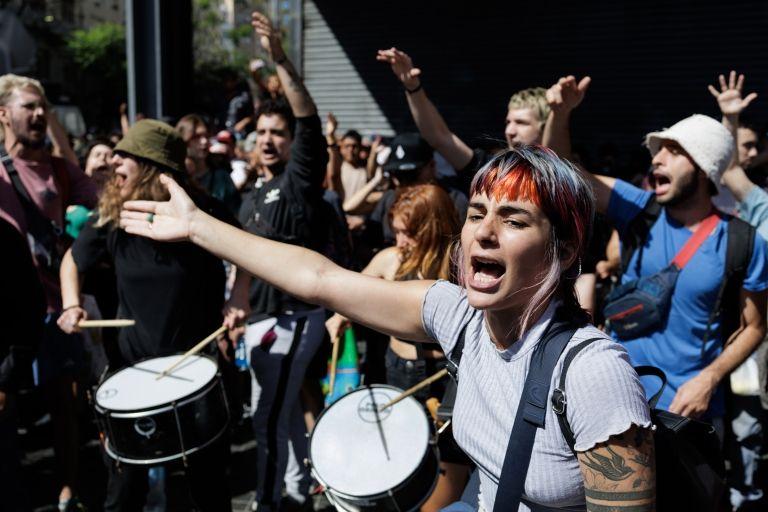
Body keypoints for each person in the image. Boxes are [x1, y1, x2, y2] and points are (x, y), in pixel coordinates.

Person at [121, 144, 656, 511]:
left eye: (514, 220)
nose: (483, 234)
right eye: (476, 213)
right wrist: (198, 228)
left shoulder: (591, 374)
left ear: (562, 251)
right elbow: (320, 279)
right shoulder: (458, 315)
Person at [548, 74, 768, 424]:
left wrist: (709, 378)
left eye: (672, 151)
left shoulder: (744, 241)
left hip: (688, 414)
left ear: (702, 168)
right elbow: (563, 172)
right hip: (614, 397)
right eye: (657, 150)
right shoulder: (638, 209)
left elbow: (755, 326)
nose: (656, 160)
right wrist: (559, 115)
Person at [57, 119, 233, 512]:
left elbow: (249, 253)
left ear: (151, 165)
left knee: (208, 489)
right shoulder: (114, 216)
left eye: (124, 157)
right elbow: (73, 260)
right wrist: (72, 304)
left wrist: (238, 300)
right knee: (124, 490)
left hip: (195, 369)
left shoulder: (201, 212)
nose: (113, 164)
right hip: (132, 370)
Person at [223, 12, 329, 511]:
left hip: (294, 319)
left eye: (278, 133)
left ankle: (267, 503)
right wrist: (234, 307)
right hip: (260, 320)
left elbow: (306, 116)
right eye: (262, 132)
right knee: (281, 414)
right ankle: (294, 489)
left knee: (267, 416)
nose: (268, 139)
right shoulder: (254, 192)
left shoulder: (299, 185)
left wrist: (280, 59)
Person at [326, 184, 469, 511]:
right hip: (398, 372)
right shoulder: (391, 259)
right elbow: (351, 291)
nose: (400, 242)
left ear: (432, 229)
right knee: (399, 459)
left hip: (444, 379)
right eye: (398, 232)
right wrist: (339, 317)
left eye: (409, 234)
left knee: (448, 466)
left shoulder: (460, 267)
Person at [0, 73, 97, 511]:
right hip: (7, 310)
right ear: (3, 114)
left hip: (56, 307)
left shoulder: (60, 169)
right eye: (29, 107)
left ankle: (68, 488)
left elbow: (99, 206)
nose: (39, 115)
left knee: (65, 405)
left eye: (44, 108)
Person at [707, 71, 768, 511]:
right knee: (744, 423)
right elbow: (728, 169)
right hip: (750, 333)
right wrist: (729, 120)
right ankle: (738, 497)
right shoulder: (760, 203)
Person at [367, 132, 468, 247]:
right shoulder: (388, 199)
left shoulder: (454, 201)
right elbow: (369, 244)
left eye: (412, 175)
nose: (407, 184)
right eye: (399, 176)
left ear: (432, 166)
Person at [175, 113, 241, 216]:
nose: (204, 141)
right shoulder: (175, 177)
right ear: (184, 140)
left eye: (206, 136)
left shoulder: (221, 176)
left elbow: (235, 212)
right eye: (196, 137)